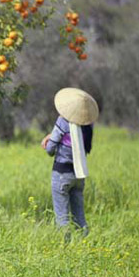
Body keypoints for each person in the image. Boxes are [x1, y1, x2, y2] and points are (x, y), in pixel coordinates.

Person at [41, 88, 99, 237]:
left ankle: (64, 249)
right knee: (79, 215)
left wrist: (46, 141)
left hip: (62, 174)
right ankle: (85, 243)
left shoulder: (63, 121)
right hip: (79, 175)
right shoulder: (88, 125)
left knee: (62, 217)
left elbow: (50, 149)